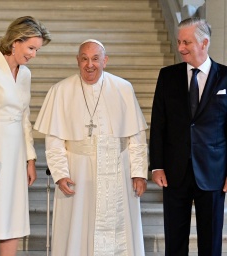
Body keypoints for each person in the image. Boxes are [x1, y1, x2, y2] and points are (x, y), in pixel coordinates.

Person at [34, 39, 148, 256]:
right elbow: (54, 141)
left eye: (95, 59)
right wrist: (59, 174)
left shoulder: (123, 88)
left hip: (117, 170)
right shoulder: (61, 90)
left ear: (105, 61)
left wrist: (139, 173)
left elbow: (137, 137)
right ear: (77, 61)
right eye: (84, 59)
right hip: (78, 173)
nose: (90, 65)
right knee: (78, 229)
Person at [0, 16, 51, 256]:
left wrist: (30, 159)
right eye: (31, 48)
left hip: (16, 156)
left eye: (36, 49)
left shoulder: (25, 74)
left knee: (13, 217)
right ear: (15, 42)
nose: (34, 54)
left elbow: (25, 117)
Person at [150, 17, 227, 256]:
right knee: (175, 241)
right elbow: (158, 124)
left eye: (187, 42)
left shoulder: (226, 77)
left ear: (204, 43)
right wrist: (157, 166)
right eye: (179, 41)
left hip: (214, 173)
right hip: (175, 172)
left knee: (211, 243)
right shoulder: (167, 76)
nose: (181, 47)